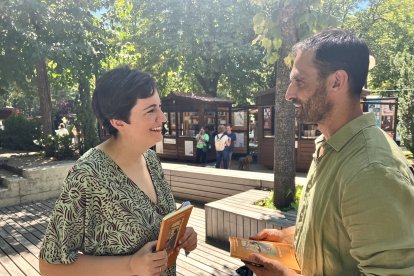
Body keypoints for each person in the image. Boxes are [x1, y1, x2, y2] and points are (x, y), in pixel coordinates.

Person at [245, 29, 414, 275]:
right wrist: (288, 237)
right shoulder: (331, 145)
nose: (289, 94)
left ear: (337, 81)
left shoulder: (372, 170)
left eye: (299, 81)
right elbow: (337, 233)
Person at [38, 66, 197, 276]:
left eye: (160, 107)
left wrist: (182, 236)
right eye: (151, 110)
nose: (163, 117)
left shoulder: (150, 159)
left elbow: (158, 226)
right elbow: (49, 266)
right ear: (118, 122)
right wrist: (130, 265)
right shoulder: (88, 175)